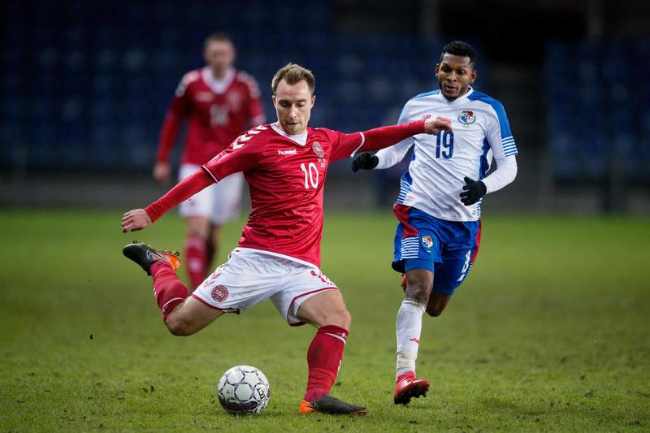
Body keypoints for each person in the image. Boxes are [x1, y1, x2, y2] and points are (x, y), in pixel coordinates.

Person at [121, 63, 452, 415]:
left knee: (337, 318)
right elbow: (205, 175)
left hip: (300, 267)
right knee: (179, 324)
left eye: (299, 104)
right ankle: (160, 265)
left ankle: (316, 397)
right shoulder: (257, 142)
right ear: (274, 101)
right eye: (284, 104)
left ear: (312, 102)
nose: (292, 113)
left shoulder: (325, 141)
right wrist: (153, 212)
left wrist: (420, 127)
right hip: (256, 259)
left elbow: (370, 138)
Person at [352, 41, 518, 405]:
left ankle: (418, 271)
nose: (452, 77)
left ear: (472, 75)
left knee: (436, 306)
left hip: (463, 225)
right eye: (447, 69)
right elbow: (397, 148)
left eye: (460, 71)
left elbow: (510, 165)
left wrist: (483, 186)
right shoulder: (417, 105)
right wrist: (373, 161)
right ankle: (403, 376)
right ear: (437, 70)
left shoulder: (490, 110)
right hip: (419, 213)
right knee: (418, 292)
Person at [154, 32, 265, 288]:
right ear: (207, 55)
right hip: (196, 164)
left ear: (232, 55)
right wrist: (162, 159)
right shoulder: (192, 83)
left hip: (230, 167)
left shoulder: (245, 85)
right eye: (215, 54)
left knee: (213, 234)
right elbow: (173, 121)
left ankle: (201, 278)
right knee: (197, 226)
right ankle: (195, 291)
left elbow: (258, 125)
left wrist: (258, 161)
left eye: (224, 54)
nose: (220, 59)